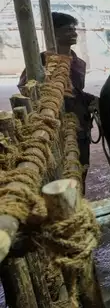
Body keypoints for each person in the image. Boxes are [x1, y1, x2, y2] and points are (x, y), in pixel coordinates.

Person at [18, 12, 96, 182]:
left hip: (78, 122)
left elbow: (76, 91)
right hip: (51, 121)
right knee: (53, 169)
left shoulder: (78, 62)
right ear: (53, 32)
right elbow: (25, 88)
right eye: (68, 29)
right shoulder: (39, 61)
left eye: (74, 29)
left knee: (81, 165)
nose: (73, 32)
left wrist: (90, 100)